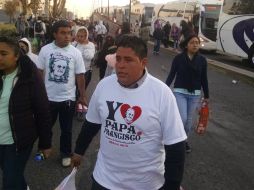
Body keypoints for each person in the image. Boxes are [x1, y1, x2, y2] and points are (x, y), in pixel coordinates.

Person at [72, 35, 187, 190]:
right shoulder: (104, 86)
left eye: (128, 60)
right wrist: (79, 151)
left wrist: (172, 185)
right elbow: (91, 124)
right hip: (104, 180)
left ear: (143, 62)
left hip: (146, 184)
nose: (120, 65)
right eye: (118, 59)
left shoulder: (161, 93)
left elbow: (175, 146)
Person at [0, 36, 52, 189]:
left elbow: (42, 110)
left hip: (18, 141)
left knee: (9, 182)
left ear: (16, 56)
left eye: (3, 54)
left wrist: (45, 143)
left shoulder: (29, 76)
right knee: (12, 175)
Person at [37, 20, 87, 167]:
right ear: (54, 34)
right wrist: (37, 95)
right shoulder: (45, 50)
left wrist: (82, 96)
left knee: (66, 130)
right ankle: (43, 148)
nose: (67, 36)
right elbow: (39, 73)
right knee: (45, 127)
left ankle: (65, 154)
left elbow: (80, 76)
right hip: (48, 98)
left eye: (69, 33)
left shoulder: (75, 52)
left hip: (68, 99)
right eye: (63, 33)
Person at [165, 34, 209, 153]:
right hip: (180, 92)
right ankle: (177, 140)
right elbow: (172, 74)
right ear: (186, 44)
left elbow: (204, 78)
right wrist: (164, 88)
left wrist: (207, 96)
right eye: (192, 42)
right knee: (183, 118)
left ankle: (184, 141)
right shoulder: (178, 58)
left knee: (189, 121)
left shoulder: (202, 60)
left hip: (195, 94)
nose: (195, 45)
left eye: (197, 43)